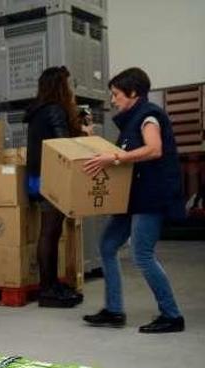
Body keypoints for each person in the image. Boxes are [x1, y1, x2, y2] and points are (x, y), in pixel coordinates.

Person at [82, 67, 185, 333]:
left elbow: (153, 149)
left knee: (142, 254)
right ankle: (114, 310)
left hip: (150, 196)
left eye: (116, 94)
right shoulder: (130, 121)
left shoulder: (149, 116)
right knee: (107, 245)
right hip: (132, 196)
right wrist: (92, 138)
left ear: (133, 93)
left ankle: (172, 315)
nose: (113, 100)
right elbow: (121, 153)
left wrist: (114, 158)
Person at [23, 66, 85, 308]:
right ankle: (47, 290)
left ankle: (50, 285)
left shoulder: (38, 112)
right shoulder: (55, 111)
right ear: (61, 87)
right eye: (68, 85)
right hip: (51, 179)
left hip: (36, 178)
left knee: (50, 232)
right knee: (50, 232)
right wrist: (82, 134)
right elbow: (63, 145)